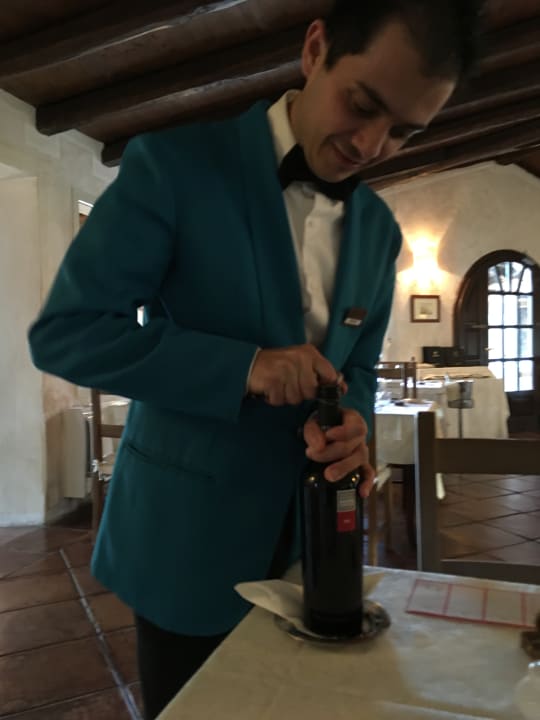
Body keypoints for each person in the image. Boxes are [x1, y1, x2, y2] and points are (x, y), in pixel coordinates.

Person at [28, 0, 483, 716]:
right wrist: (244, 367)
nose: (371, 145)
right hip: (186, 542)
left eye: (403, 131)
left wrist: (354, 422)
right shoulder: (173, 166)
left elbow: (358, 370)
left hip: (316, 548)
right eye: (363, 105)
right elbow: (69, 333)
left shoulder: (380, 230)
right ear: (315, 49)